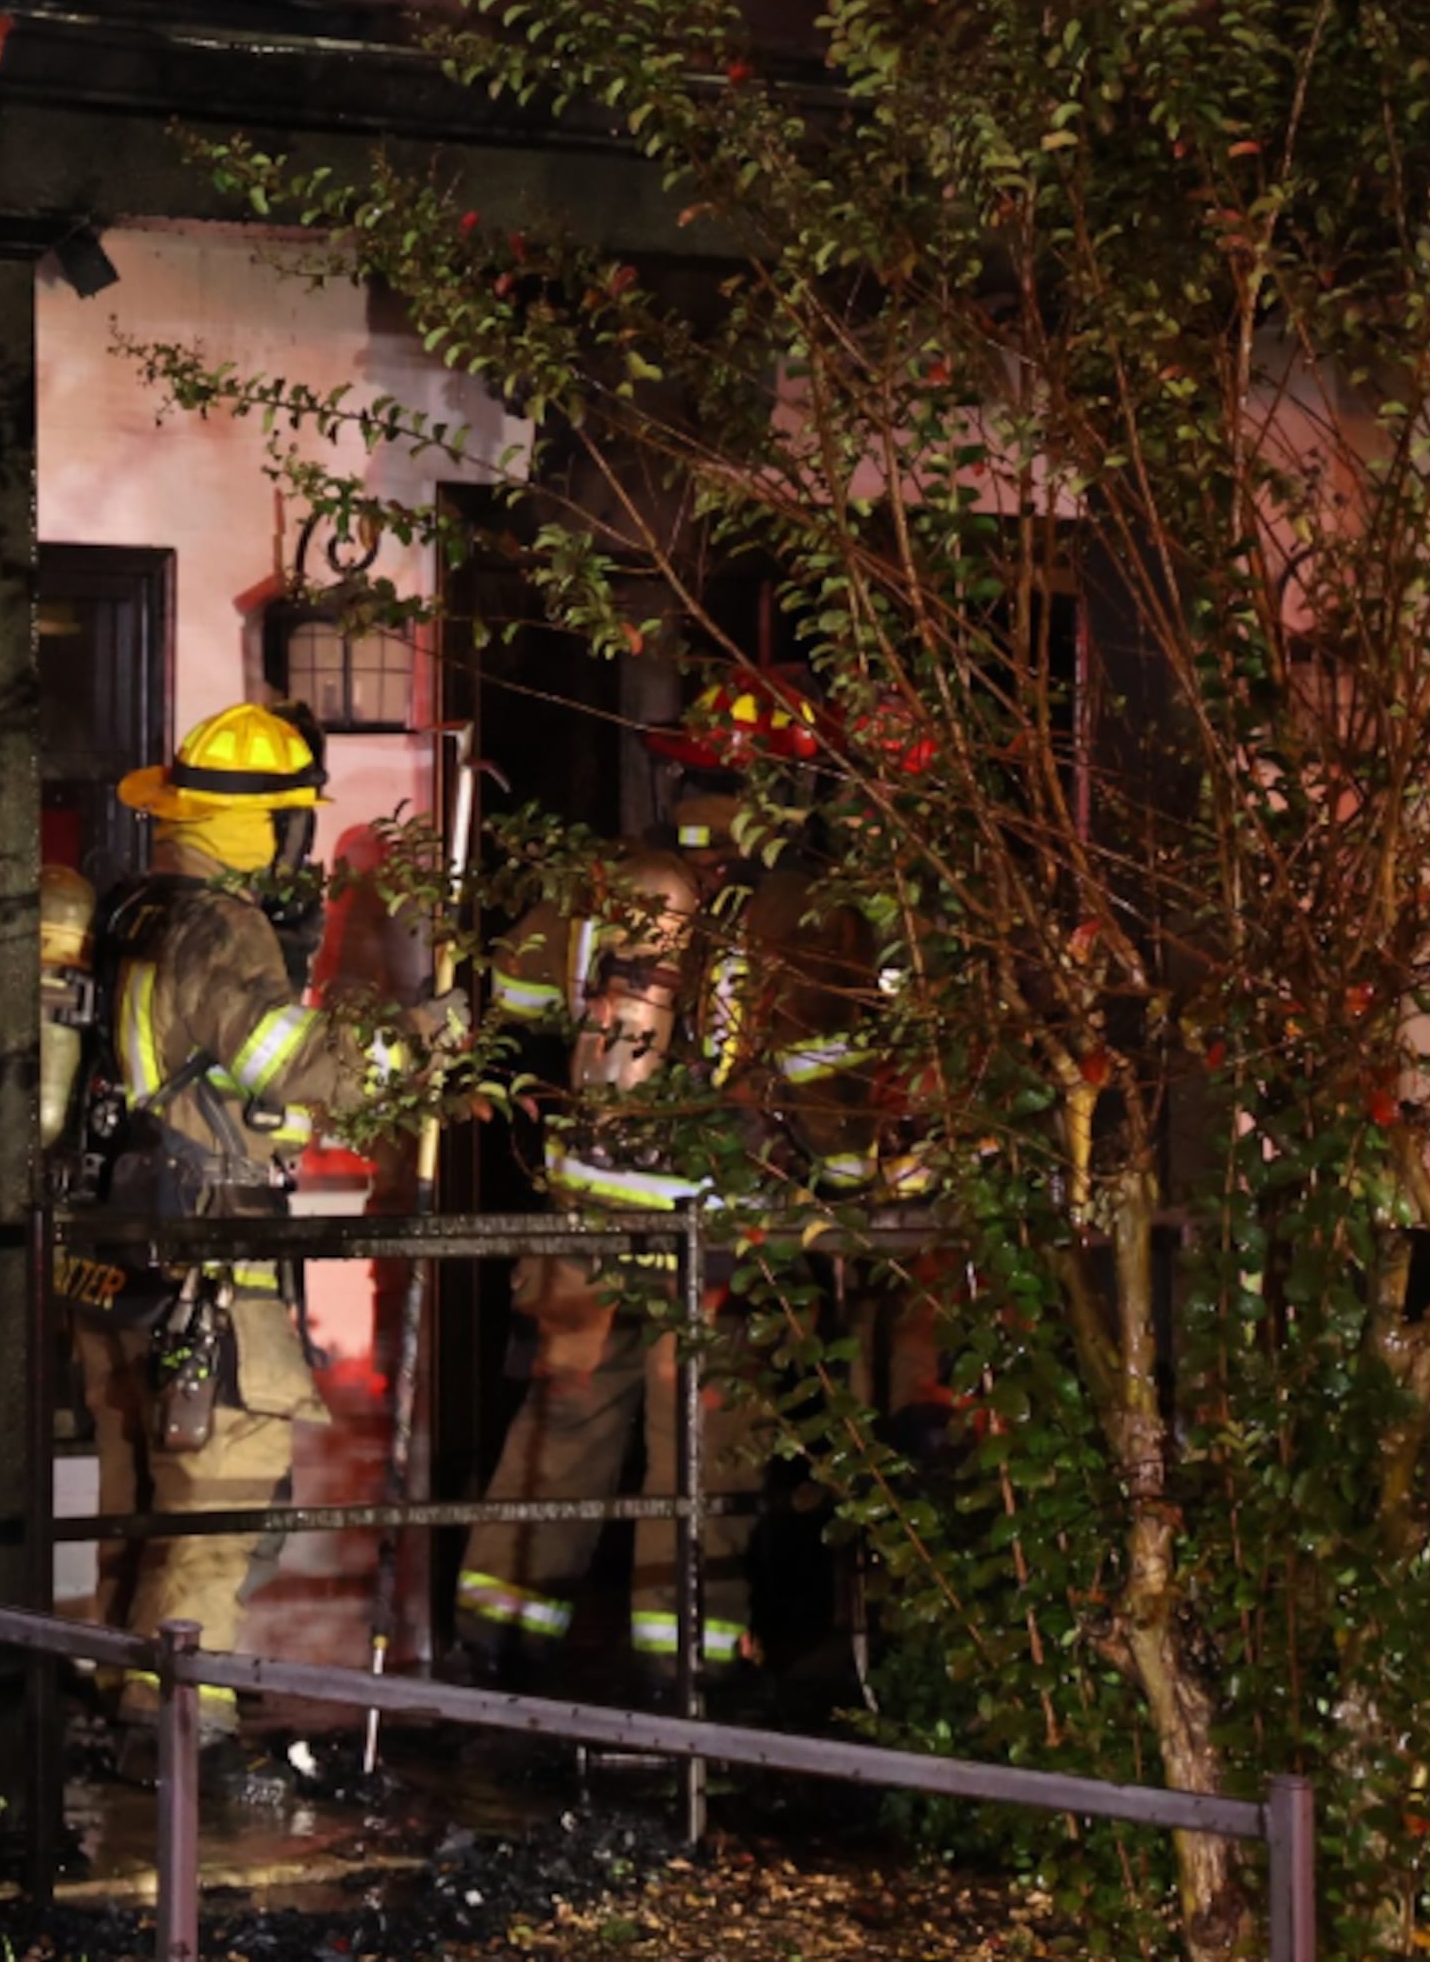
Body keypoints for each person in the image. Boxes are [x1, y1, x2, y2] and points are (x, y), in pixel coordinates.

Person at [456, 680, 882, 1703]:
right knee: (702, 1456)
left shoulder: (601, 882)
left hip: (584, 1212)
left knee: (557, 1431)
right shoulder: (802, 905)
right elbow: (828, 1086)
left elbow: (512, 1007)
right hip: (719, 1231)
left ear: (678, 773)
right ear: (788, 782)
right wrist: (862, 1192)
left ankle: (495, 1651)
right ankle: (680, 1671)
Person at [72, 701, 435, 1740]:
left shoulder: (129, 908)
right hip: (210, 1257)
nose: (296, 839)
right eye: (289, 820)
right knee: (220, 1500)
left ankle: (119, 1695)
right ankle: (184, 1730)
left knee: (135, 1501)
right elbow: (293, 1068)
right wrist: (421, 1037)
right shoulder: (220, 928)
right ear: (263, 828)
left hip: (122, 1254)